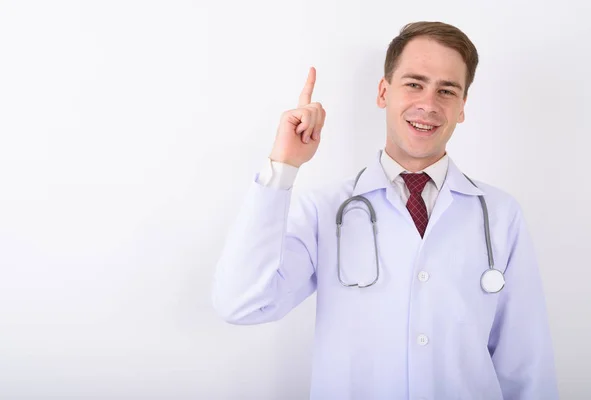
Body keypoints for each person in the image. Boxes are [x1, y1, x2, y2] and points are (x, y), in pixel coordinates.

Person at [211, 21, 559, 400]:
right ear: (383, 92)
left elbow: (526, 365)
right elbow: (240, 303)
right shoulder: (325, 211)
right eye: (414, 83)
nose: (429, 103)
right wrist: (282, 167)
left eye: (447, 90)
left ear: (462, 108)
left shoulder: (500, 215)